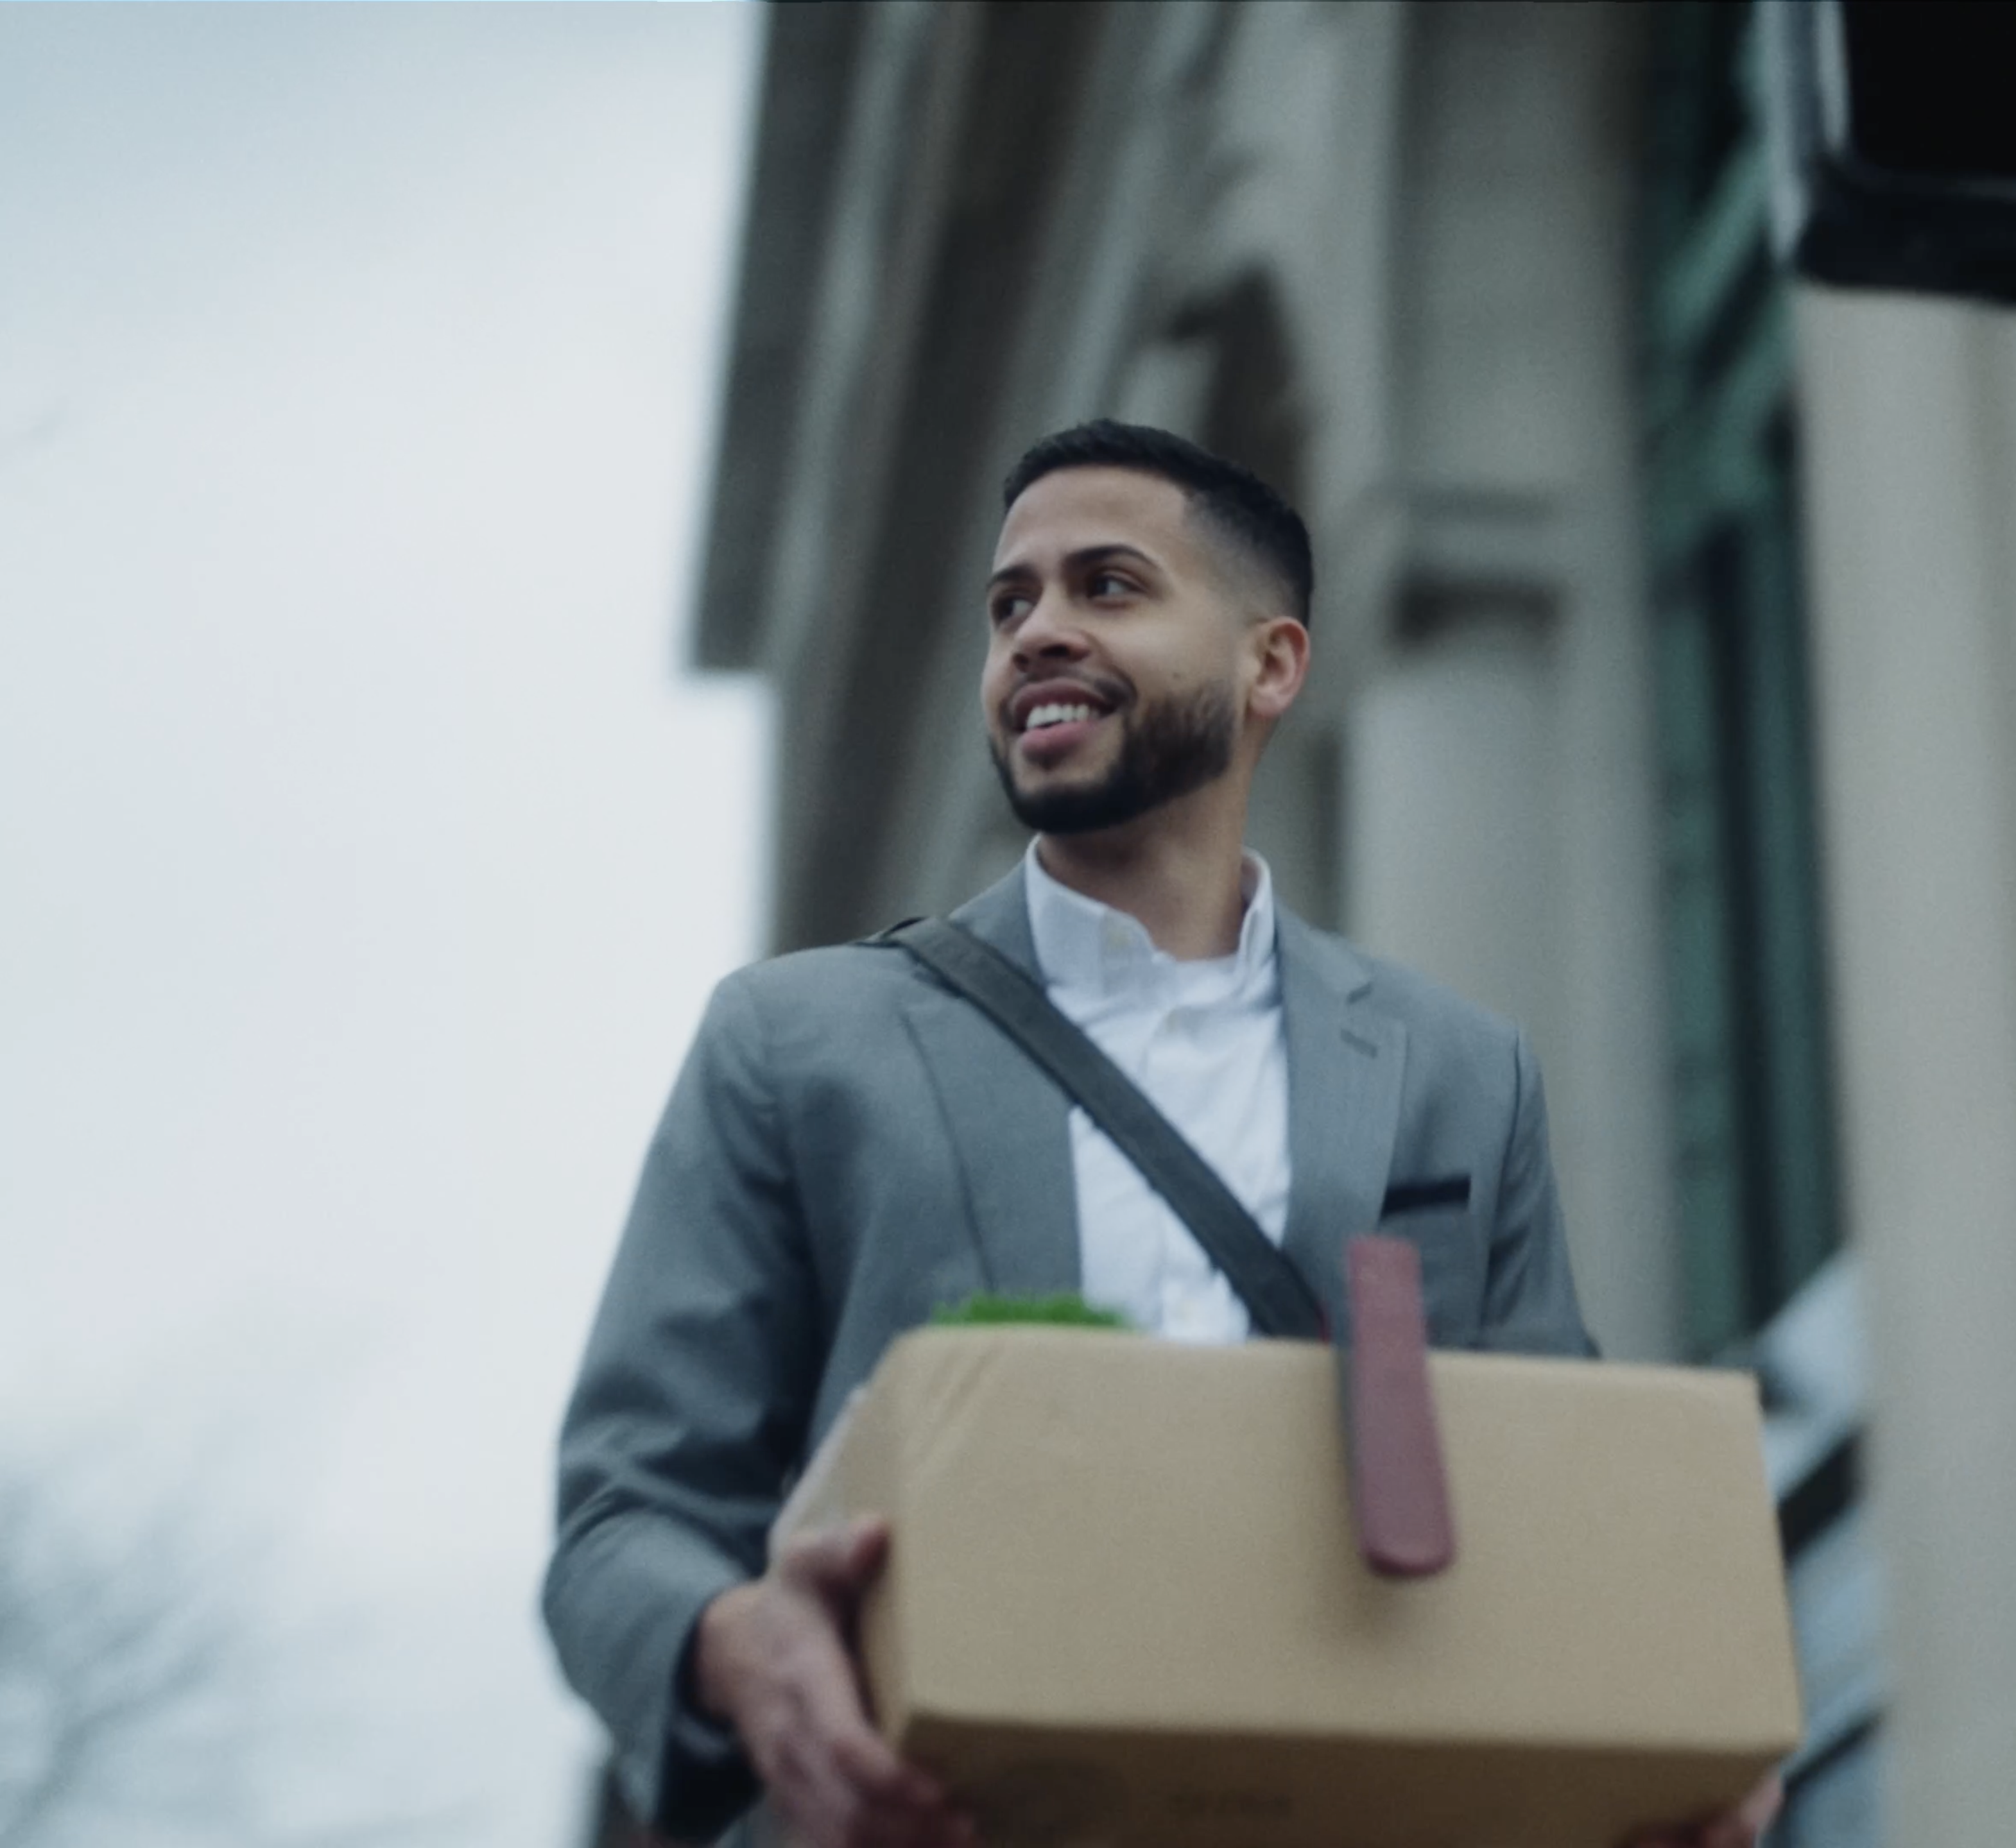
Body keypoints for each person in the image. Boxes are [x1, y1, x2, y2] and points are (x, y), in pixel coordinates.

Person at [544, 421, 1780, 1848]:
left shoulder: (1458, 1071)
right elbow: (620, 1522)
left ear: (1271, 665)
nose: (1039, 635)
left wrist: (1658, 1743)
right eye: (1012, 606)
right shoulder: (792, 1044)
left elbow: (1542, 1512)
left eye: (1108, 587)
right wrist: (736, 1647)